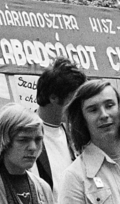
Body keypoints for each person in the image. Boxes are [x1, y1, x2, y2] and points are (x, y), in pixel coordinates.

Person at [33, 58, 83, 190]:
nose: (79, 107)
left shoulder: (75, 135)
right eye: (73, 100)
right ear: (53, 98)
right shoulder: (21, 134)